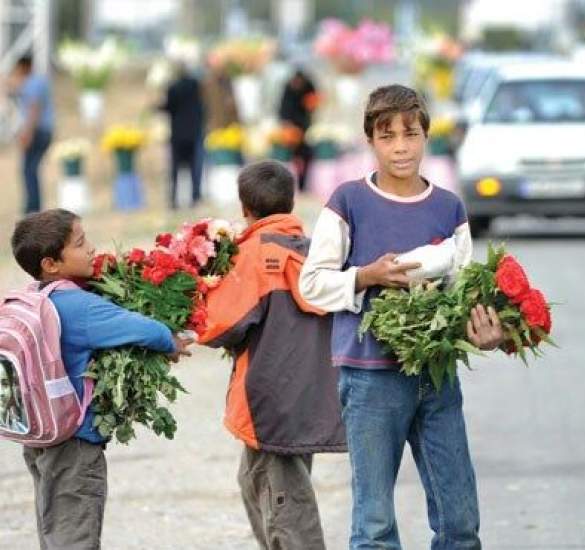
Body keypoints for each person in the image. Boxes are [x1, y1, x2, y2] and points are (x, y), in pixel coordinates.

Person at [299, 85, 504, 549]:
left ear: (426, 136)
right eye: (387, 136)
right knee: (373, 526)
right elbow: (310, 284)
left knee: (460, 522)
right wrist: (367, 276)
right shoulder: (349, 201)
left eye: (410, 134)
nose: (400, 147)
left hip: (436, 376)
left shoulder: (448, 207)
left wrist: (488, 333)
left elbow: (463, 290)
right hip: (371, 379)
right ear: (370, 140)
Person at [10, 208, 191, 549]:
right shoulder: (79, 306)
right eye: (80, 243)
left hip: (38, 437)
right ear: (52, 264)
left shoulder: (35, 294)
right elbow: (146, 329)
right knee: (75, 535)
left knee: (55, 525)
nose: (91, 248)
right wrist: (171, 341)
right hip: (74, 443)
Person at [199, 161, 346, 549]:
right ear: (291, 202)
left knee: (285, 504)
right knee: (258, 483)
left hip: (268, 401)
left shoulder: (252, 257)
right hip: (308, 397)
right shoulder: (312, 253)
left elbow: (220, 326)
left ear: (245, 208)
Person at [10, 55, 54, 213]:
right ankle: (33, 206)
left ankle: (32, 207)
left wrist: (27, 133)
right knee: (31, 169)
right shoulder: (39, 81)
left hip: (37, 130)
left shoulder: (32, 83)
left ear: (23, 67)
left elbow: (34, 109)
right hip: (44, 130)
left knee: (29, 169)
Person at [160, 63, 205, 209]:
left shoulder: (172, 87)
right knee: (194, 168)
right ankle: (195, 197)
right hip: (194, 132)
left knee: (175, 170)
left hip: (178, 134)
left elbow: (169, 107)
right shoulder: (196, 86)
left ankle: (174, 200)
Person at [278, 69, 318, 191]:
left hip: (306, 129)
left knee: (306, 158)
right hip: (291, 130)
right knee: (290, 159)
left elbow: (313, 106)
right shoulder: (288, 90)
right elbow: (283, 110)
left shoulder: (309, 88)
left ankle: (303, 185)